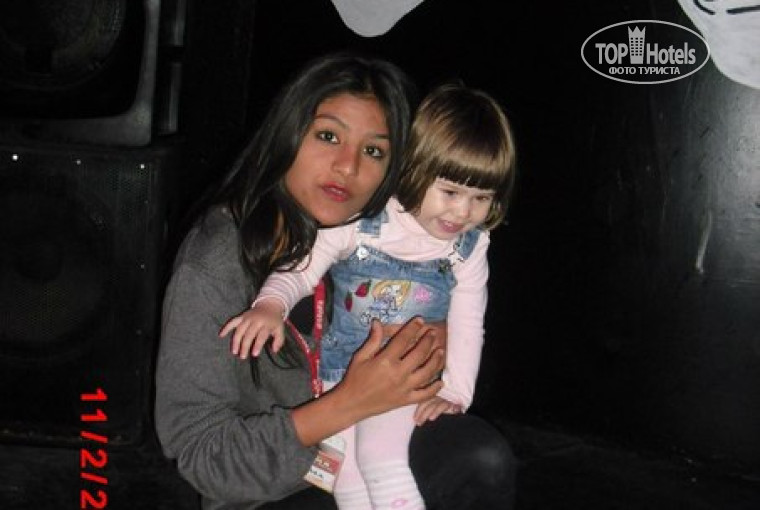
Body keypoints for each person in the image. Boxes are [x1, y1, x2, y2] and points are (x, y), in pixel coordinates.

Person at [154, 52, 516, 510]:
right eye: (328, 136)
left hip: (381, 442)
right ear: (287, 134)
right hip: (277, 489)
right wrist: (348, 402)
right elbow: (203, 456)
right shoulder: (216, 259)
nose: (348, 166)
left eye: (374, 151)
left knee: (478, 459)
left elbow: (467, 326)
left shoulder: (397, 236)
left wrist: (432, 340)